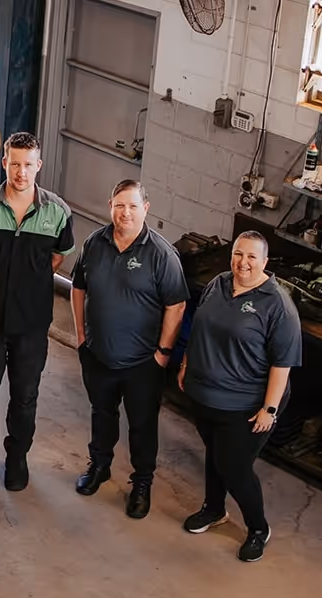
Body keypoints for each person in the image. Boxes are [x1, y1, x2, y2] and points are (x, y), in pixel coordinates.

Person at [178, 230, 302, 562]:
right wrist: (187, 363)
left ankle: (258, 527)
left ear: (264, 261)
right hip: (205, 394)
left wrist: (270, 409)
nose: (242, 262)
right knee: (215, 454)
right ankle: (213, 509)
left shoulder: (278, 305)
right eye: (237, 254)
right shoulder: (219, 283)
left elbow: (283, 364)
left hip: (246, 405)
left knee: (234, 467)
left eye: (250, 257)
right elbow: (200, 327)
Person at [69, 180, 188, 518]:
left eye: (133, 206)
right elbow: (78, 287)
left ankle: (142, 483)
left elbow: (176, 306)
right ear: (110, 205)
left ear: (145, 209)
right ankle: (100, 466)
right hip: (98, 355)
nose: (125, 212)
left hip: (142, 363)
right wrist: (81, 336)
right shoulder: (95, 243)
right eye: (119, 205)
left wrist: (162, 354)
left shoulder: (161, 254)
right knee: (101, 414)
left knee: (142, 425)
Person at [0, 132, 75, 491]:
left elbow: (57, 257)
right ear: (4, 163)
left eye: (28, 165)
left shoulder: (57, 212)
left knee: (25, 397)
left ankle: (16, 459)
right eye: (15, 164)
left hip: (31, 325)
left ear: (38, 166)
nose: (21, 172)